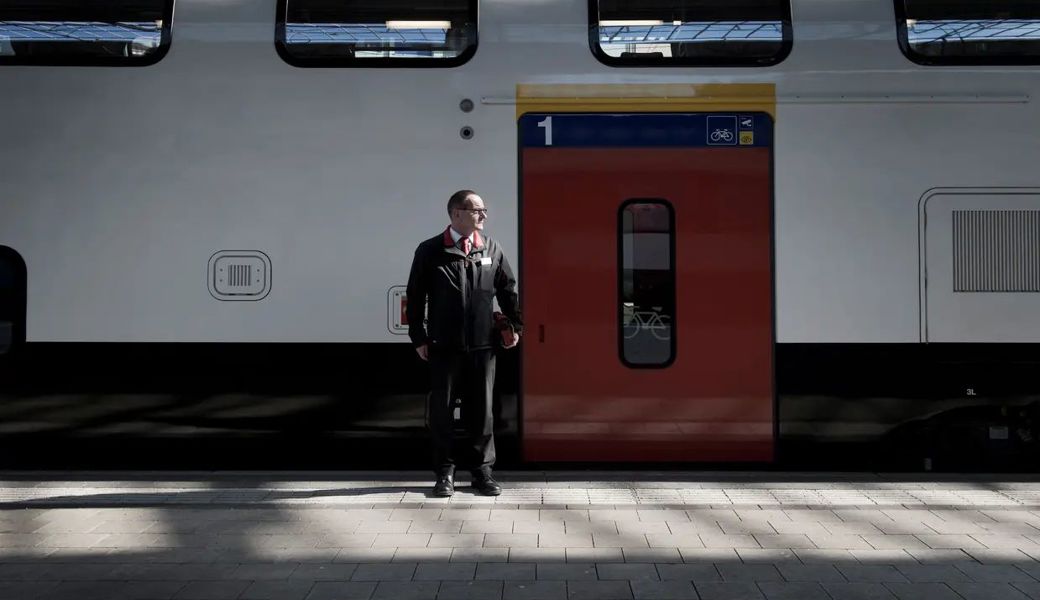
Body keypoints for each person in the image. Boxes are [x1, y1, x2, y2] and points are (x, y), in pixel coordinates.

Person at [406, 190, 522, 497]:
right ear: (456, 214)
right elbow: (415, 297)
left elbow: (508, 290)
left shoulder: (491, 248)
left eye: (484, 210)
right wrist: (418, 337)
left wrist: (515, 325)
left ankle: (482, 472)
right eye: (477, 210)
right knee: (442, 414)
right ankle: (445, 472)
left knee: (481, 412)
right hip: (444, 347)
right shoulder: (430, 250)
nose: (483, 215)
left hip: (483, 347)